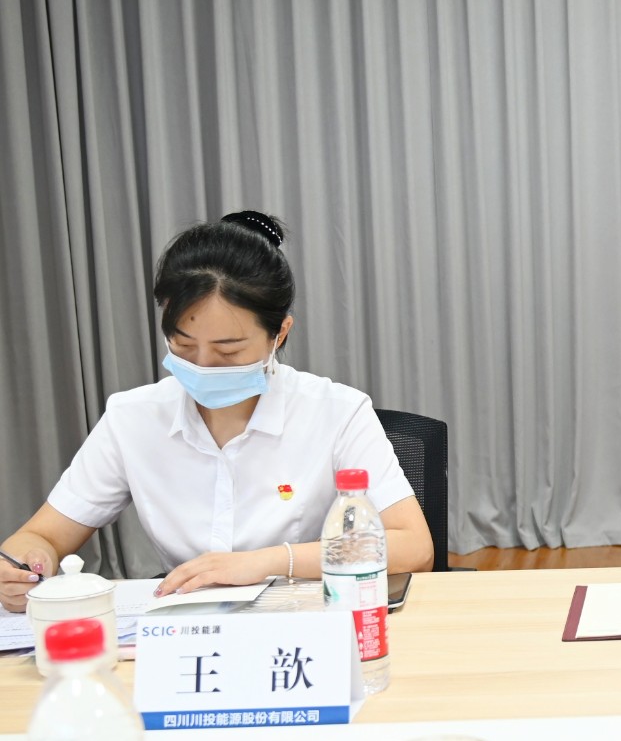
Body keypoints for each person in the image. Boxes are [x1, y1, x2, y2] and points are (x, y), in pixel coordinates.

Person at [0, 212, 432, 613]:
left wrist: (267, 562)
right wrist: (23, 566)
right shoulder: (132, 418)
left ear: (280, 333)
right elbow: (42, 536)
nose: (203, 366)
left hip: (303, 621)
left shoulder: (336, 411)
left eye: (228, 351)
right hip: (186, 629)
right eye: (183, 345)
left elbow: (413, 546)